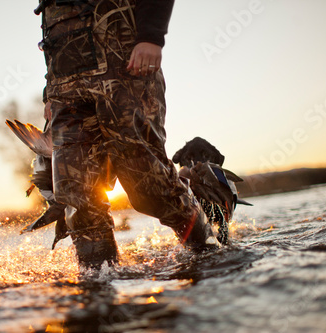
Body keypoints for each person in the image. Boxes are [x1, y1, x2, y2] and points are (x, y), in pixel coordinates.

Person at [37, 0, 221, 270]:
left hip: (125, 69)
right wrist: (50, 91)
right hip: (65, 89)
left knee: (150, 188)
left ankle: (210, 256)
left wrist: (151, 37)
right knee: (76, 195)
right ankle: (98, 284)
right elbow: (51, 23)